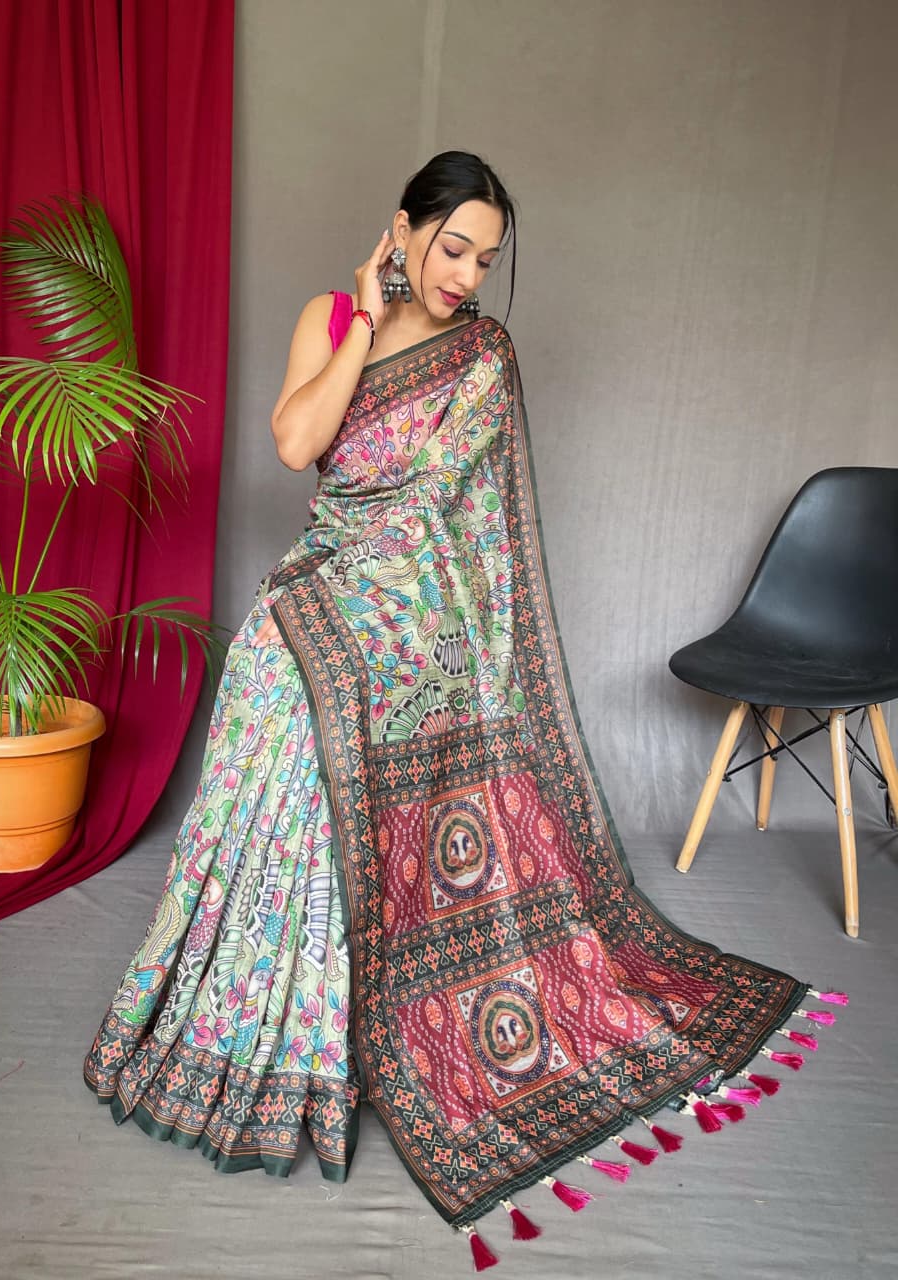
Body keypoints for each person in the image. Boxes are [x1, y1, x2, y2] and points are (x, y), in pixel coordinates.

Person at [85, 151, 836, 1266]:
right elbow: (296, 446)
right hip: (325, 584)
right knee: (270, 685)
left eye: (486, 259)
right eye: (452, 248)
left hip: (421, 609)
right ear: (404, 230)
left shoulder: (484, 356)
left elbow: (441, 511)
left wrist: (373, 606)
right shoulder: (329, 316)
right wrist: (361, 321)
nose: (467, 275)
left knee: (333, 692)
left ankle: (343, 1022)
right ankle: (255, 1026)